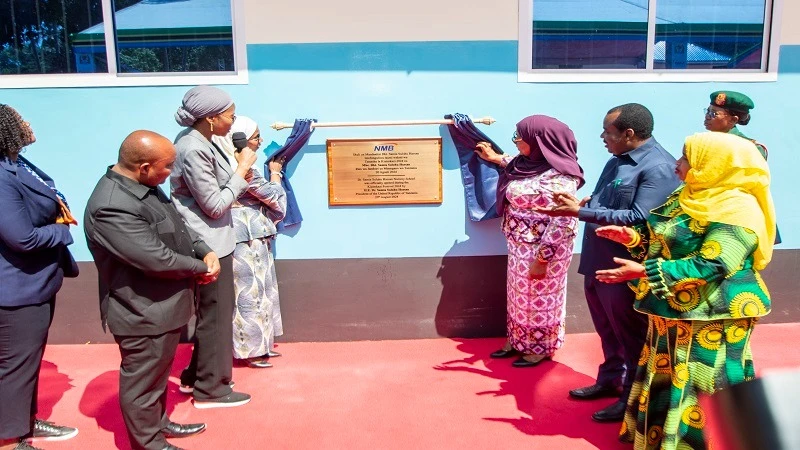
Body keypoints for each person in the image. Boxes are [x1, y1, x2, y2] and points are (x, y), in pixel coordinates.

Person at [594, 131, 775, 450]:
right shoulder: (687, 196)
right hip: (672, 311)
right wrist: (632, 240)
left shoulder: (737, 208)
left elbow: (715, 263)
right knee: (669, 375)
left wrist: (646, 271)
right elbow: (665, 240)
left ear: (713, 165)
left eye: (686, 158)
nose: (678, 164)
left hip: (713, 317)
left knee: (702, 381)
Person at [536, 103, 680, 422]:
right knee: (607, 330)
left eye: (608, 132)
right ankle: (610, 380)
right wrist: (582, 203)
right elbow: (605, 200)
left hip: (624, 267)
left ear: (629, 134)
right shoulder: (617, 160)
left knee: (630, 336)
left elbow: (640, 219)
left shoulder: (658, 167)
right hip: (597, 260)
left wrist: (579, 212)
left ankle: (630, 400)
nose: (602, 137)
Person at [84, 131, 218, 450]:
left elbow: (176, 226)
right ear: (144, 167)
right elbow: (156, 259)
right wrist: (203, 268)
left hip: (163, 306)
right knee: (142, 383)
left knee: (157, 375)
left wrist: (204, 250)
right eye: (168, 166)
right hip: (142, 311)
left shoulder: (145, 187)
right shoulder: (111, 206)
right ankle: (148, 443)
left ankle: (157, 424)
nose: (171, 172)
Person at [170, 86, 257, 408]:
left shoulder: (200, 140)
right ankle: (212, 390)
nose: (233, 122)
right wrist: (242, 169)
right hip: (208, 243)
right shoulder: (192, 148)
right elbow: (215, 205)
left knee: (214, 313)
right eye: (231, 116)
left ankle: (196, 376)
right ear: (211, 118)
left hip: (215, 239)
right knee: (216, 317)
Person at [474, 115, 584, 367]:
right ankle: (518, 339)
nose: (515, 142)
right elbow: (516, 165)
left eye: (519, 138)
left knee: (541, 299)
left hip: (544, 250)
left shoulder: (562, 178)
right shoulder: (528, 163)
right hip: (519, 245)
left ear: (540, 142)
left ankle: (539, 347)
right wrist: (494, 158)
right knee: (518, 295)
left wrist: (543, 260)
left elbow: (563, 222)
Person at [0, 105, 79, 450]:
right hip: (16, 287)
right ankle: (13, 437)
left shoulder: (17, 165)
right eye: (19, 120)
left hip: (36, 280)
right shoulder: (1, 177)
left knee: (27, 361)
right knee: (15, 365)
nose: (28, 122)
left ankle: (25, 422)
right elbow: (22, 238)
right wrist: (63, 233)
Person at [212, 116, 287, 368]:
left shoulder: (220, 165)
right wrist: (276, 175)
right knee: (250, 294)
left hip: (247, 236)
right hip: (245, 237)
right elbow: (274, 197)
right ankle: (251, 350)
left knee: (258, 292)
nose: (260, 141)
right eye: (255, 137)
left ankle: (260, 346)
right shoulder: (242, 170)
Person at [703, 90, 767, 159]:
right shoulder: (701, 144)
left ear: (733, 120)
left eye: (713, 114)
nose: (707, 116)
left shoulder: (751, 148)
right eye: (707, 111)